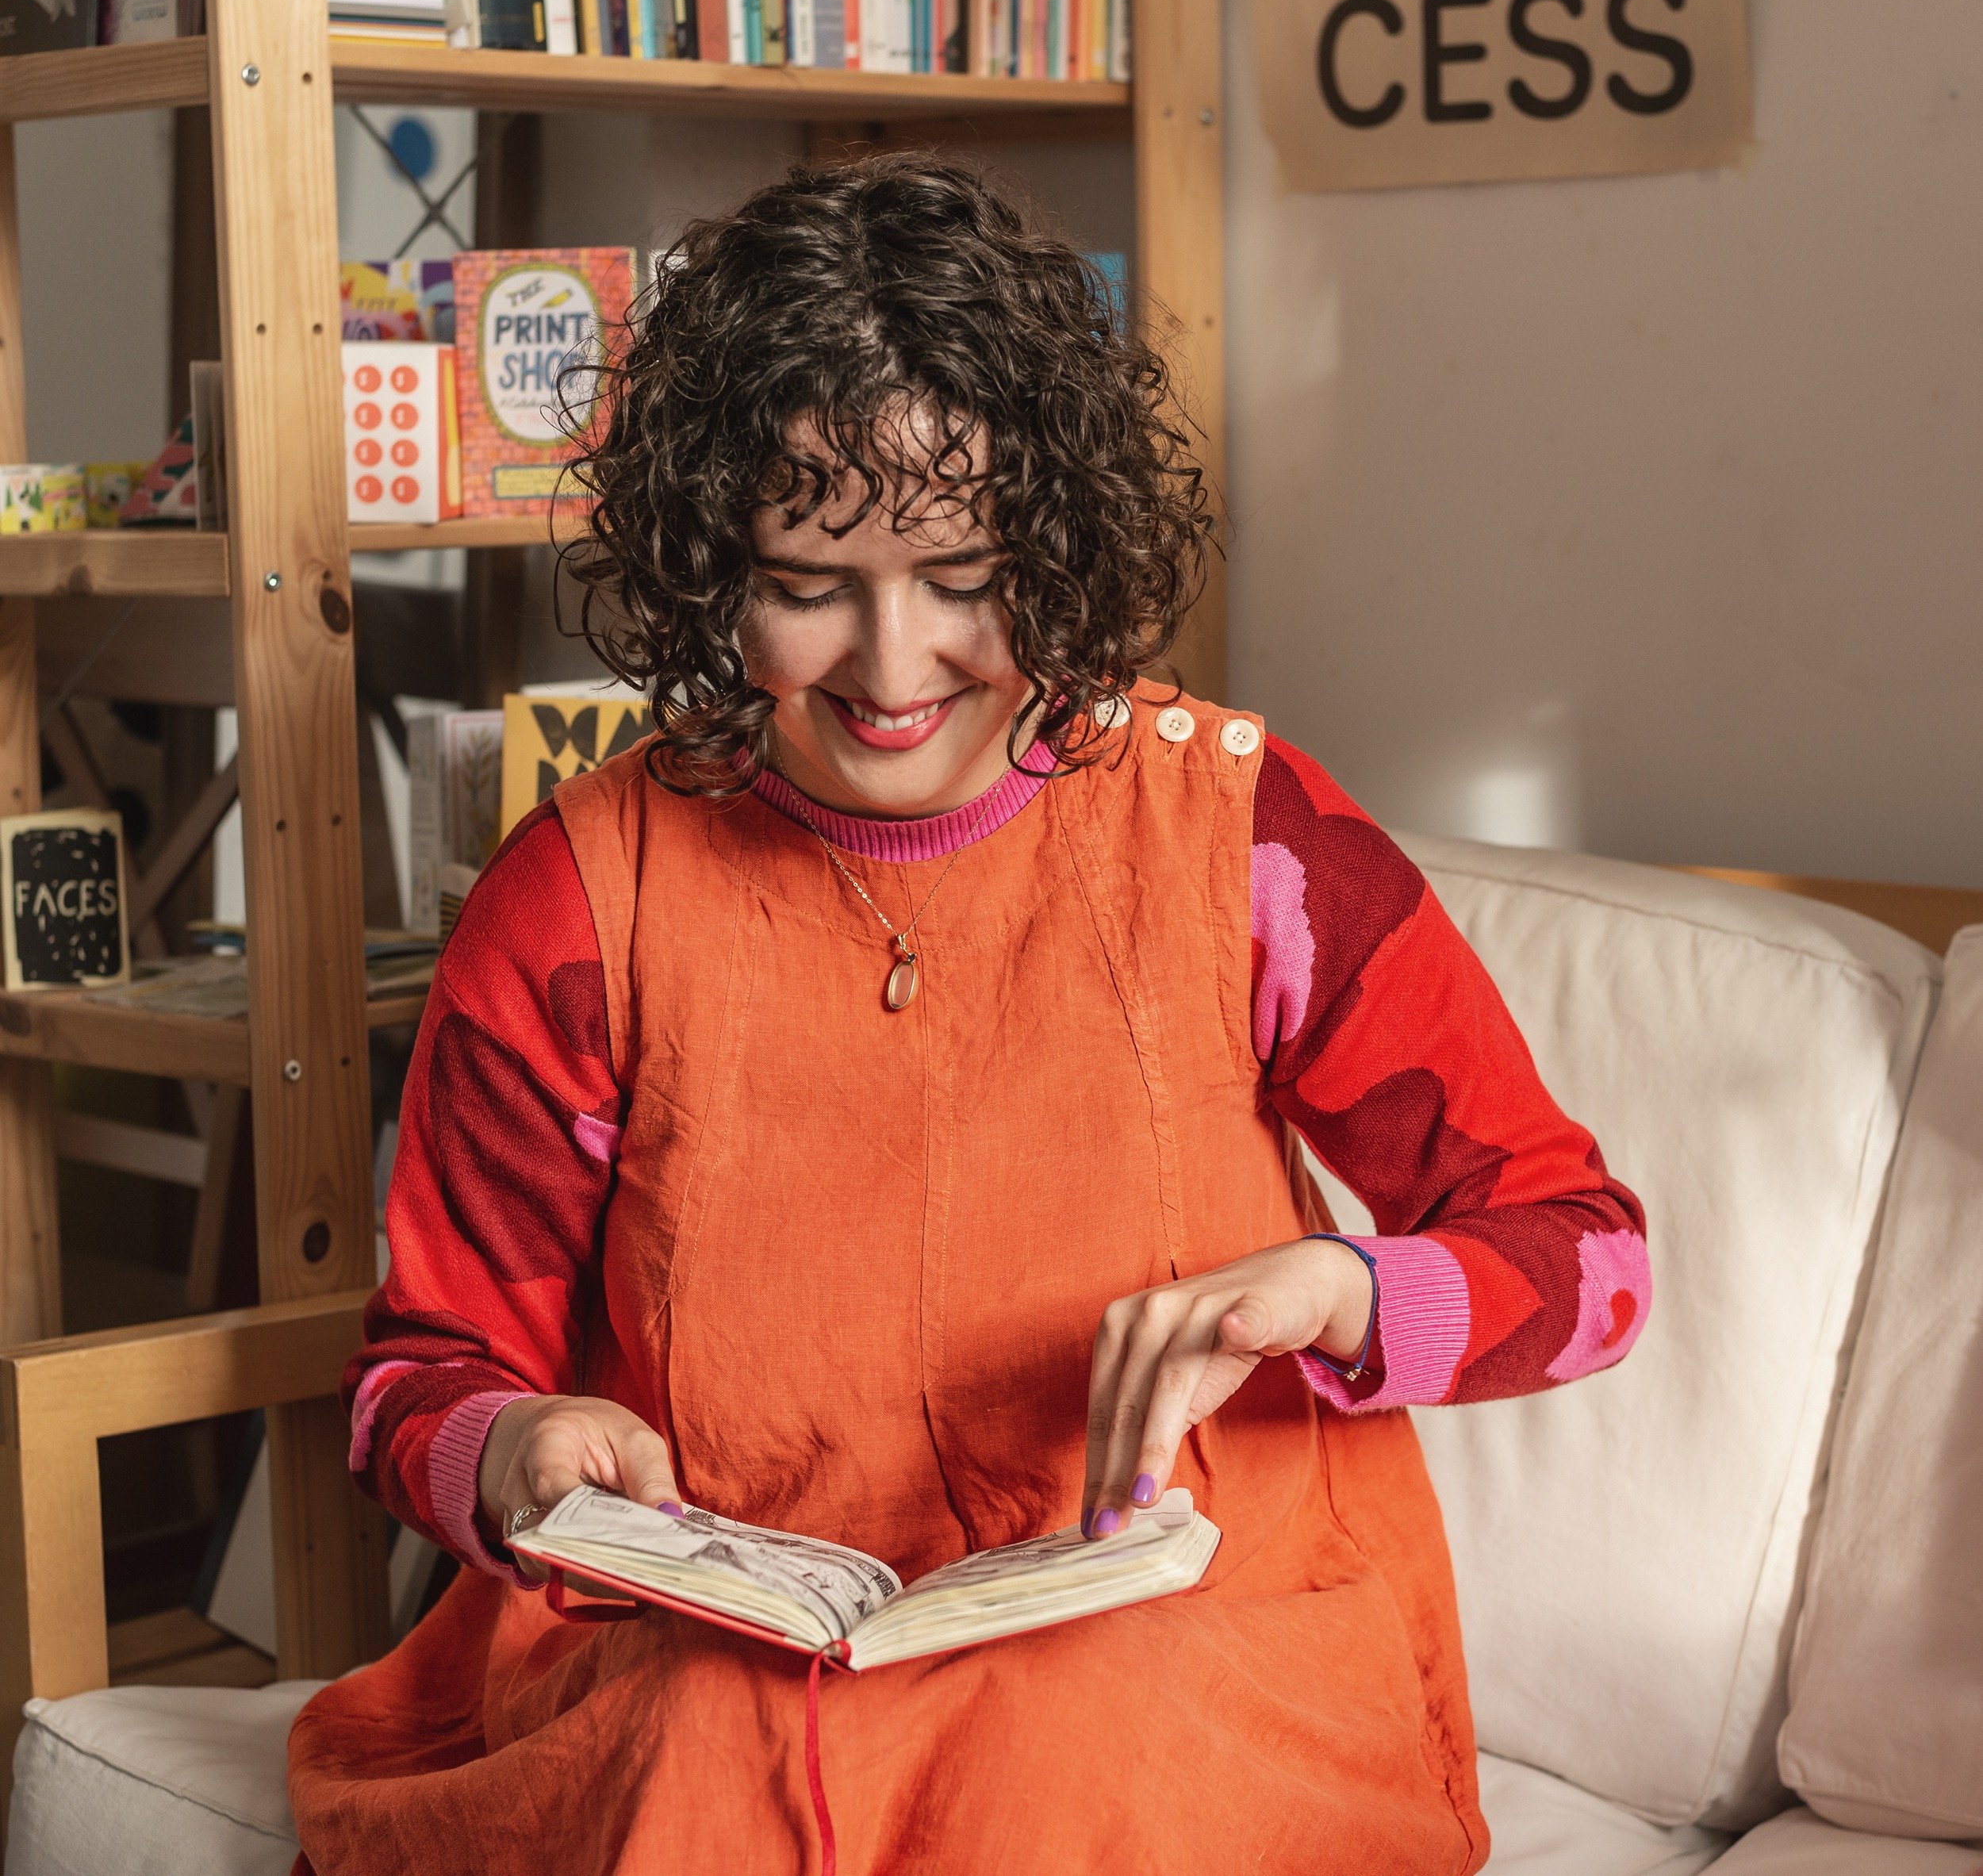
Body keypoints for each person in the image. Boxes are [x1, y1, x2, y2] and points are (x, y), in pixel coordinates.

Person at [288, 156, 1649, 1875]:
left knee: (1071, 1748)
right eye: (809, 580)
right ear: (713, 557)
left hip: (1182, 1656)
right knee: (711, 1756)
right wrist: (512, 1446)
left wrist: (1337, 1285)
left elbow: (1589, 1260)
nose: (892, 660)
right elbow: (415, 1375)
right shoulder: (579, 896)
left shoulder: (1244, 837)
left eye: (961, 573)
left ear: (1059, 534)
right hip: (735, 1658)